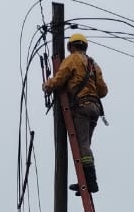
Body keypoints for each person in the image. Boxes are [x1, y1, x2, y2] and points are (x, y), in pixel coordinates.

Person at [43, 32, 108, 195]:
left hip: (82, 107)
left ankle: (90, 182)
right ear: (85, 46)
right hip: (95, 109)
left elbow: (60, 78)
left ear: (71, 46)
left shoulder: (72, 59)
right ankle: (85, 182)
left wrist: (47, 85)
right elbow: (103, 90)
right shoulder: (94, 65)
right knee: (84, 145)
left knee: (82, 147)